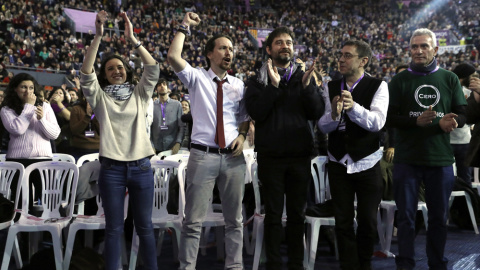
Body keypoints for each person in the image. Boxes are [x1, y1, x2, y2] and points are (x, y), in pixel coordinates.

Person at [167, 12, 249, 270]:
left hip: (234, 158)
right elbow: (172, 57)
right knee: (192, 221)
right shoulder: (196, 78)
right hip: (203, 156)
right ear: (210, 54)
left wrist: (243, 135)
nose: (229, 52)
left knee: (234, 220)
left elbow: (244, 118)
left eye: (231, 49)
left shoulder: (239, 84)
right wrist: (185, 26)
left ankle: (234, 267)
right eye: (223, 48)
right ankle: (187, 267)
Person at [79, 11, 159, 270]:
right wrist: (99, 37)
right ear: (105, 74)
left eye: (120, 67)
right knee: (113, 229)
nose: (116, 71)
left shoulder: (140, 94)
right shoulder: (99, 98)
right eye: (110, 68)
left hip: (142, 168)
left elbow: (153, 67)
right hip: (111, 170)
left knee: (145, 227)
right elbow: (85, 72)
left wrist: (133, 39)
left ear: (127, 71)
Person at [245, 27, 324, 270]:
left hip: (300, 157)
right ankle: (275, 265)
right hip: (271, 158)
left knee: (297, 216)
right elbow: (256, 112)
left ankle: (297, 265)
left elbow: (317, 112)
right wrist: (274, 86)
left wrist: (309, 86)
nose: (285, 46)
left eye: (289, 42)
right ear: (268, 49)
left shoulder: (304, 78)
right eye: (279, 42)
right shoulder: (257, 80)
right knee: (273, 216)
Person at [387, 28, 467, 270]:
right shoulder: (399, 80)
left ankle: (437, 264)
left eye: (424, 46)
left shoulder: (449, 78)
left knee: (438, 219)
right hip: (407, 159)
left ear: (436, 49)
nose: (418, 51)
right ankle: (405, 264)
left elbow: (463, 112)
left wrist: (452, 122)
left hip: (440, 158)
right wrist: (415, 121)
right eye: (414, 46)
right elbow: (388, 117)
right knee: (406, 219)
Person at [317, 40, 388, 270]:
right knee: (343, 221)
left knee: (367, 220)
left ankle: (364, 264)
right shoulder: (330, 86)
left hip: (367, 162)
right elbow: (323, 126)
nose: (341, 59)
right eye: (341, 55)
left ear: (363, 61)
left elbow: (377, 123)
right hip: (338, 162)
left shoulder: (379, 86)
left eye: (347, 55)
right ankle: (348, 265)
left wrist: (353, 108)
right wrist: (335, 115)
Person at [0, 72, 60, 208]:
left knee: (47, 203)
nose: (28, 91)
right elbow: (17, 129)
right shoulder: (6, 109)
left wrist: (42, 120)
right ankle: (20, 229)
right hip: (17, 161)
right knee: (20, 204)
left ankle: (47, 229)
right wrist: (28, 107)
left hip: (43, 161)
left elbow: (55, 134)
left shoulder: (45, 106)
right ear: (15, 89)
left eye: (31, 88)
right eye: (23, 87)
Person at [451, 63, 476, 185]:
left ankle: (468, 203)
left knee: (466, 177)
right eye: (472, 75)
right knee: (448, 177)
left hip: (465, 141)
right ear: (464, 76)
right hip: (447, 141)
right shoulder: (447, 90)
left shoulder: (471, 91)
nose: (474, 77)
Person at [150, 78, 185, 154]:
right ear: (156, 89)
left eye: (164, 84)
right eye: (159, 85)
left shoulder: (177, 105)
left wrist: (178, 143)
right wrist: (151, 145)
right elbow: (148, 127)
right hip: (155, 148)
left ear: (168, 88)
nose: (162, 86)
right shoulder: (151, 106)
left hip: (173, 147)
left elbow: (182, 126)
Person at [69, 89, 100, 161]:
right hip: (80, 148)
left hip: (97, 149)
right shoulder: (76, 109)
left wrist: (95, 114)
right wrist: (88, 116)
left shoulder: (100, 110)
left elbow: (102, 131)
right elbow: (75, 131)